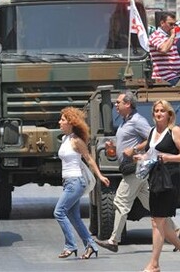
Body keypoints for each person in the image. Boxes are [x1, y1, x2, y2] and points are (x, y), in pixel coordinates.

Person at [96, 91, 180, 252]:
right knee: (150, 203)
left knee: (120, 201)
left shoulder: (137, 121)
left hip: (136, 169)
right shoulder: (125, 122)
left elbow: (152, 139)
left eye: (119, 102)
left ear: (128, 104)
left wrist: (135, 149)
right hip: (133, 168)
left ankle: (113, 240)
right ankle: (176, 231)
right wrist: (115, 148)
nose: (116, 105)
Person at [138, 99, 180, 272]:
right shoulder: (152, 131)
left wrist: (170, 157)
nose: (159, 114)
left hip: (169, 179)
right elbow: (152, 154)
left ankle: (154, 264)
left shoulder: (174, 131)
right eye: (156, 111)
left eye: (162, 111)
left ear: (169, 114)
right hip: (155, 178)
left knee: (158, 222)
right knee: (159, 222)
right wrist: (142, 158)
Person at [54, 107, 110, 259]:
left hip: (75, 182)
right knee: (74, 217)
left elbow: (89, 159)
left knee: (59, 212)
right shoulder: (65, 139)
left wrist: (100, 176)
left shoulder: (77, 141)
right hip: (68, 182)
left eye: (63, 120)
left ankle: (70, 245)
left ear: (71, 123)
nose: (60, 122)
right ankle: (90, 245)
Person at [148, 12, 180, 85]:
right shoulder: (156, 36)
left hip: (174, 75)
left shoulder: (169, 37)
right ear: (162, 23)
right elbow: (163, 49)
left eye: (174, 24)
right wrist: (172, 35)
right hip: (165, 78)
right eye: (170, 24)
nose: (173, 27)